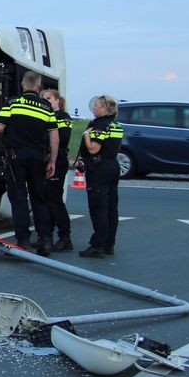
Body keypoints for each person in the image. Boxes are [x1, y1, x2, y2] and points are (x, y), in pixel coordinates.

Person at [0, 71, 59, 256]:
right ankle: (45, 239)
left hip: (16, 157)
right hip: (38, 158)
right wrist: (52, 161)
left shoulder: (13, 103)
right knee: (39, 198)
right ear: (38, 87)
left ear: (23, 85)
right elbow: (54, 136)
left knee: (19, 198)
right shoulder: (46, 107)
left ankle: (23, 239)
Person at [77, 94, 125, 258]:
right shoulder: (116, 125)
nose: (94, 108)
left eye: (97, 105)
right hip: (112, 166)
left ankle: (98, 244)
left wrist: (86, 135)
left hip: (99, 169)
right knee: (111, 207)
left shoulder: (99, 126)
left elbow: (93, 149)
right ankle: (109, 243)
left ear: (105, 108)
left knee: (98, 208)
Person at [41, 89, 73, 251]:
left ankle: (65, 237)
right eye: (43, 99)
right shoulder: (47, 116)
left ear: (57, 100)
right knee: (47, 201)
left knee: (55, 201)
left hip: (58, 162)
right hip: (46, 162)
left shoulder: (63, 117)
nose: (46, 101)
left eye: (48, 99)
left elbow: (64, 138)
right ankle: (47, 237)